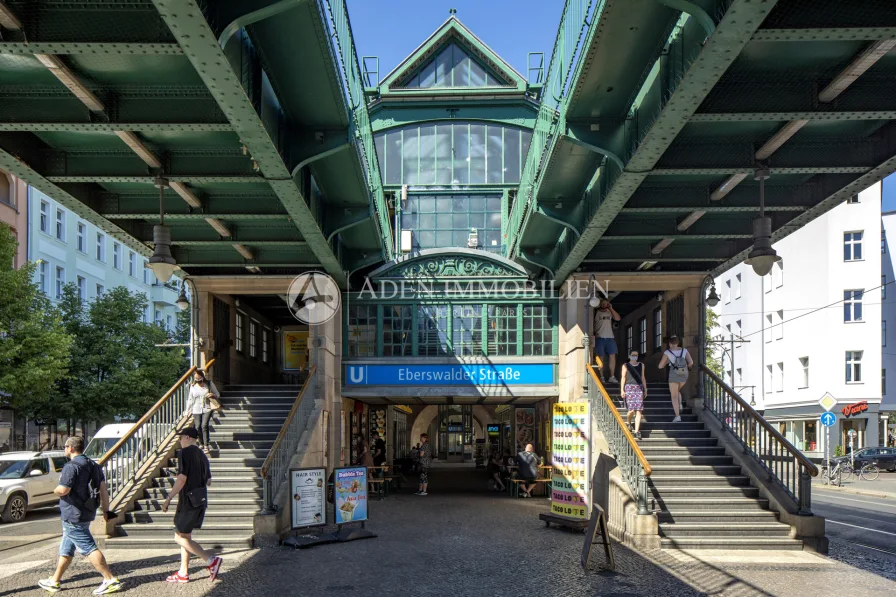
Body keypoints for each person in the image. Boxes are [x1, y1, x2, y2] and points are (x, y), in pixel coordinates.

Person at [38, 436, 121, 595]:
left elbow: (63, 490)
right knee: (67, 548)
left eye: (65, 447)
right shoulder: (94, 465)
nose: (65, 450)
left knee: (89, 548)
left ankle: (109, 579)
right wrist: (106, 510)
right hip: (86, 512)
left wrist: (54, 490)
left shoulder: (71, 466)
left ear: (70, 448)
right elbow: (103, 490)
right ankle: (55, 580)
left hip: (73, 514)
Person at [162, 427, 223, 584]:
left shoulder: (184, 453)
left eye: (180, 438)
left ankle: (210, 560)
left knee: (178, 537)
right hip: (200, 500)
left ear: (188, 437)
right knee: (185, 536)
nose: (179, 441)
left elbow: (182, 479)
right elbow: (208, 481)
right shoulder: (203, 455)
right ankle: (183, 572)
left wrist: (169, 497)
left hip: (188, 501)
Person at [658, 335, 693, 422]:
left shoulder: (668, 352)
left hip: (674, 374)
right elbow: (691, 362)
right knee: (677, 391)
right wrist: (684, 367)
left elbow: (660, 366)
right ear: (677, 343)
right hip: (684, 374)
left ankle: (677, 416)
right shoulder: (684, 350)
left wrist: (667, 361)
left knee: (673, 396)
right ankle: (680, 404)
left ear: (670, 343)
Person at [185, 369, 218, 454]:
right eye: (196, 379)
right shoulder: (193, 387)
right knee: (197, 426)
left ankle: (206, 445)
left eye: (199, 379)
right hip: (196, 408)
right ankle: (201, 443)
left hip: (207, 407)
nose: (198, 381)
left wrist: (213, 395)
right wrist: (187, 410)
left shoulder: (209, 384)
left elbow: (217, 394)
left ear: (203, 377)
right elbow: (190, 399)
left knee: (204, 425)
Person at [620, 349, 647, 440]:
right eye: (633, 355)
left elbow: (643, 377)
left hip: (638, 387)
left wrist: (645, 389)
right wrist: (622, 390)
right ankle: (629, 422)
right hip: (629, 387)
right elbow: (623, 378)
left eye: (636, 355)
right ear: (629, 356)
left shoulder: (641, 365)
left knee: (639, 410)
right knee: (631, 410)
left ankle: (637, 431)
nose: (635, 356)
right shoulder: (625, 365)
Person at [593, 298, 621, 383]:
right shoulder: (595, 312)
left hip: (610, 337)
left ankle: (611, 376)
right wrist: (594, 333)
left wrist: (611, 308)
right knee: (600, 357)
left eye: (606, 303)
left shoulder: (609, 311)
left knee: (612, 356)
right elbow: (590, 322)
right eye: (603, 303)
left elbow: (618, 318)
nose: (604, 305)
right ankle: (601, 377)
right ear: (599, 304)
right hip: (599, 337)